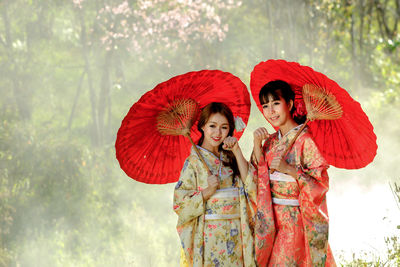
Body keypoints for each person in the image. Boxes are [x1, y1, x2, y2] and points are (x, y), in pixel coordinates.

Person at [252, 80, 336, 266]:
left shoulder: (306, 140)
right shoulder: (270, 142)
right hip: (270, 220)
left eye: (276, 104)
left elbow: (320, 184)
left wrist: (289, 169)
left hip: (294, 222)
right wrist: (257, 146)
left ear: (289, 104)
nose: (270, 111)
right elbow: (258, 178)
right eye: (265, 106)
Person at [173, 102, 257, 267]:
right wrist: (206, 192)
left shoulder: (230, 158)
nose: (218, 133)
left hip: (237, 233)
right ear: (202, 126)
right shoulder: (193, 163)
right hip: (209, 235)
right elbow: (179, 204)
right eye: (212, 126)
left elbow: (251, 187)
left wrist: (237, 151)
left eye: (224, 127)